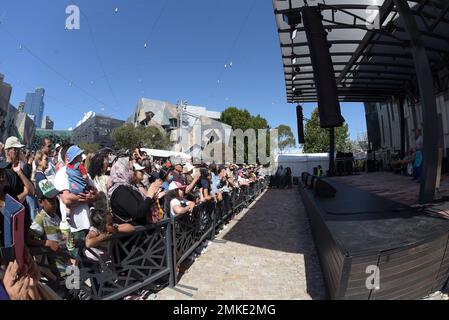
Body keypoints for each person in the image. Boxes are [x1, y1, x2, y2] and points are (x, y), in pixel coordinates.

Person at [54, 144, 99, 258]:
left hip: (87, 225)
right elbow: (67, 199)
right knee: (73, 260)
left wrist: (92, 197)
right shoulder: (62, 173)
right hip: (71, 228)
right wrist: (85, 198)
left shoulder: (83, 171)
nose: (80, 158)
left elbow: (97, 193)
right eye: (78, 155)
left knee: (88, 259)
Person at [109, 157, 162, 225]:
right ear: (123, 170)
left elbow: (140, 205)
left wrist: (151, 199)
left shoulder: (128, 186)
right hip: (133, 233)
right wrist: (149, 195)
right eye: (131, 169)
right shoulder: (121, 191)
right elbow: (138, 213)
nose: (133, 172)